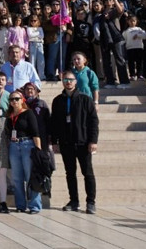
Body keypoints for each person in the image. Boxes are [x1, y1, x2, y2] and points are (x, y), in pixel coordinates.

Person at [50, 71, 99, 214]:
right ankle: (74, 200)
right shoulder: (58, 100)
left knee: (87, 172)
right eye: (65, 79)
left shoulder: (85, 99)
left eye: (71, 79)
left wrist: (93, 140)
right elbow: (54, 123)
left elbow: (93, 121)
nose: (68, 82)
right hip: (66, 143)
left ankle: (90, 202)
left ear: (76, 81)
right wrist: (54, 141)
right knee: (70, 173)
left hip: (83, 142)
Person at [6, 89, 42, 214]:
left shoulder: (28, 113)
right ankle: (20, 205)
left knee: (29, 176)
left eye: (17, 99)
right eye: (12, 99)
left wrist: (38, 150)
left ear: (22, 100)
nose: (14, 101)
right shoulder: (9, 116)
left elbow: (35, 132)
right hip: (14, 146)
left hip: (27, 145)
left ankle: (34, 206)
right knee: (17, 178)